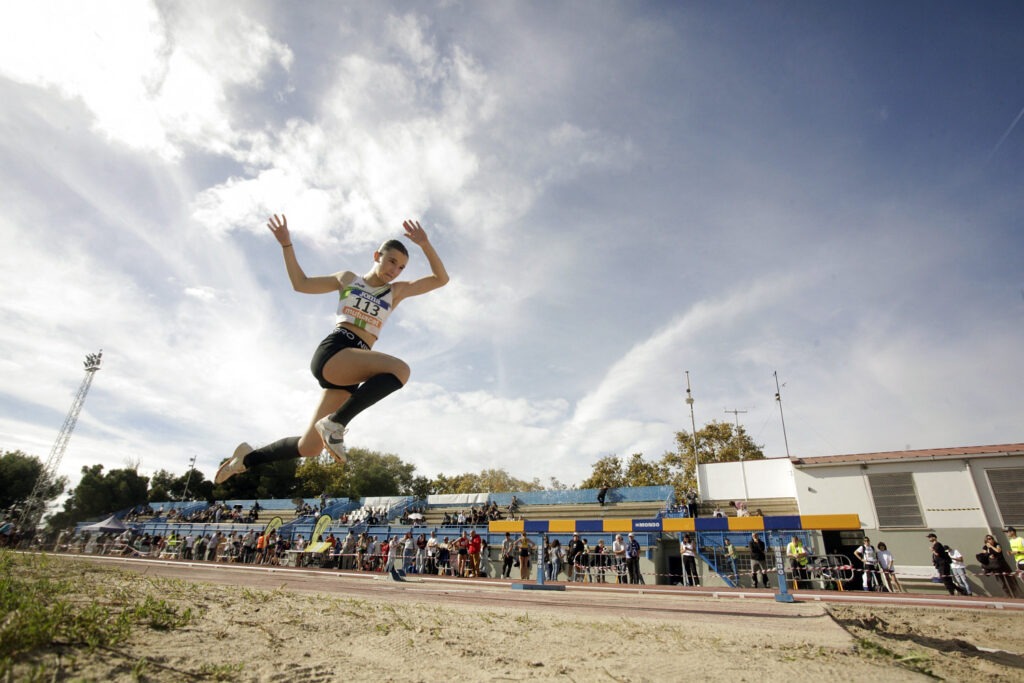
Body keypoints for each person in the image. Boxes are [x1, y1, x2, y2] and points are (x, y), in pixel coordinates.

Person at [214, 214, 449, 483]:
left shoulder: (395, 292)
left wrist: (426, 244)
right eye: (392, 261)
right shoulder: (348, 279)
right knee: (401, 370)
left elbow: (441, 279)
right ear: (377, 256)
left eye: (401, 268)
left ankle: (245, 459)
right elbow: (300, 284)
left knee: (309, 447)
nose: (394, 271)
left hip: (353, 367)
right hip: (336, 350)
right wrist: (286, 245)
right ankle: (336, 424)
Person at [980, 533, 1018, 598]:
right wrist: (989, 555)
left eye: (991, 538)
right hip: (995, 567)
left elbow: (998, 551)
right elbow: (984, 555)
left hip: (1003, 565)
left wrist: (991, 547)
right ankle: (1008, 596)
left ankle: (1016, 595)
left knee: (1010, 580)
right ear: (986, 541)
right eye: (989, 539)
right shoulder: (985, 547)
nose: (991, 540)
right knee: (1002, 582)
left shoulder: (997, 544)